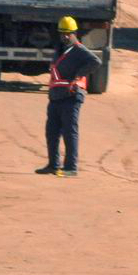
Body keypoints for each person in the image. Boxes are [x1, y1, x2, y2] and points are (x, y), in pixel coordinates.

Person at [36, 16, 102, 177]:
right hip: (56, 96)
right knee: (51, 132)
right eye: (63, 33)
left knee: (69, 131)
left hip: (72, 96)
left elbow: (96, 62)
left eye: (68, 33)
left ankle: (71, 167)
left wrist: (78, 75)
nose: (65, 36)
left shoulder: (79, 50)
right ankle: (53, 165)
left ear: (75, 34)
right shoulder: (59, 49)